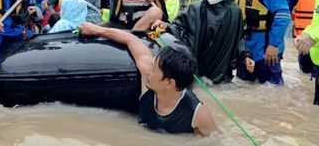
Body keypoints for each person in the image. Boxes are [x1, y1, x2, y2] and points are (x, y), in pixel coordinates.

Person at [78, 22, 220, 136]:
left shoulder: (196, 113)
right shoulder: (148, 83)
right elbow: (130, 39)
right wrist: (96, 29)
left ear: (169, 83)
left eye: (153, 70)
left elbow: (217, 140)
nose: (147, 71)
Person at [152, 0, 245, 84]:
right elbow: (179, 27)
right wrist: (167, 26)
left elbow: (239, 38)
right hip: (198, 63)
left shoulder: (234, 12)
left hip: (222, 69)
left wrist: (246, 56)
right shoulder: (195, 8)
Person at [231, 0, 291, 85]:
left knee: (272, 90)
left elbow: (283, 15)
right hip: (245, 51)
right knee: (245, 89)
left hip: (266, 50)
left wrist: (273, 45)